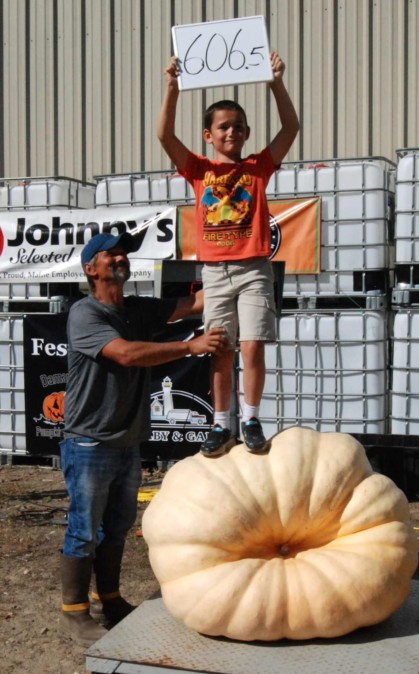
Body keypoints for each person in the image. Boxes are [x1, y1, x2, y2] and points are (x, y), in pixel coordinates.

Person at [59, 231, 226, 647]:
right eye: (111, 255)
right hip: (89, 441)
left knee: (117, 526)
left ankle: (110, 599)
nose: (120, 259)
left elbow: (193, 303)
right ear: (90, 269)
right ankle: (75, 612)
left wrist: (235, 269)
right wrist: (190, 347)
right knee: (84, 529)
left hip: (126, 441)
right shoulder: (84, 313)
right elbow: (126, 354)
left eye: (123, 255)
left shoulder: (137, 309)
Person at [157, 51, 299, 457]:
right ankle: (221, 424)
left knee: (252, 345)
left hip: (254, 268)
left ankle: (250, 419)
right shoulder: (198, 170)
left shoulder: (258, 167)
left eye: (238, 126)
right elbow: (165, 136)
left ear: (247, 132)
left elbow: (291, 127)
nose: (231, 132)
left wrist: (275, 82)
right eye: (223, 127)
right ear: (209, 135)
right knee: (219, 348)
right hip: (215, 271)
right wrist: (172, 88)